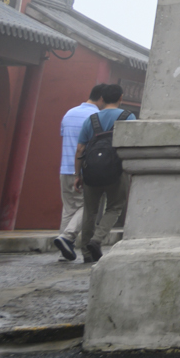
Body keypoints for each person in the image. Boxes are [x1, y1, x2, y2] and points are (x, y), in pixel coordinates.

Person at [66, 84, 132, 262]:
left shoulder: (92, 119)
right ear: (120, 97)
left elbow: (80, 149)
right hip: (117, 171)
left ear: (102, 98)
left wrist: (78, 174)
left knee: (90, 211)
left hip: (91, 170)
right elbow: (132, 144)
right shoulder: (127, 116)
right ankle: (96, 240)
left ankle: (87, 254)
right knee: (114, 207)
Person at [52, 88, 101, 262]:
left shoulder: (69, 113)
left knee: (69, 209)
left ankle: (64, 250)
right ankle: (67, 237)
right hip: (82, 169)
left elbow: (64, 137)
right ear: (102, 98)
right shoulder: (96, 117)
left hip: (64, 168)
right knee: (88, 206)